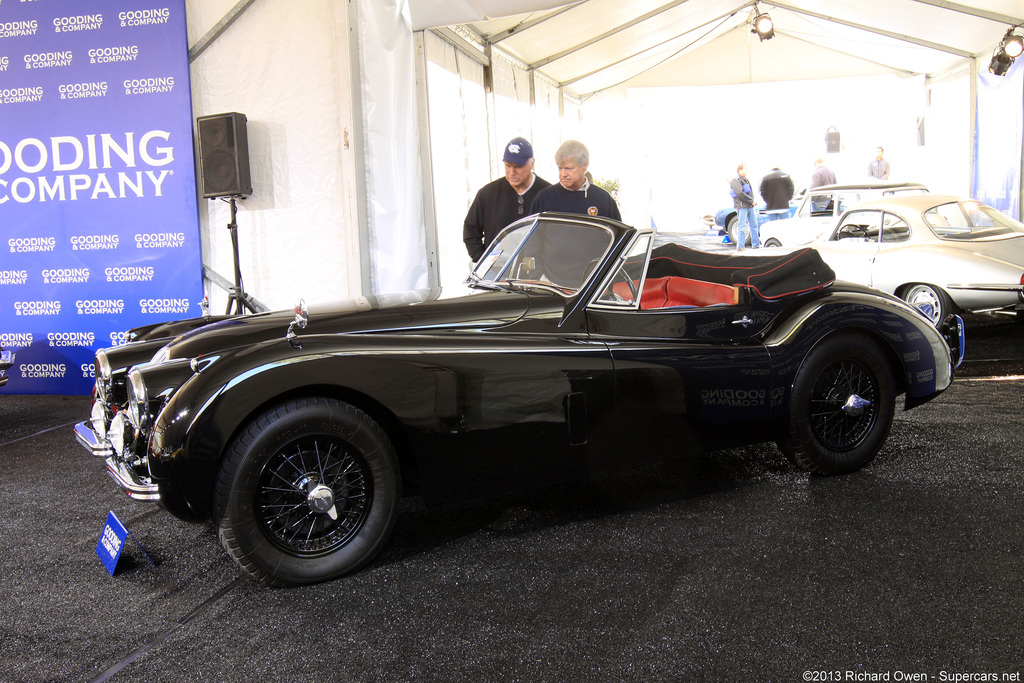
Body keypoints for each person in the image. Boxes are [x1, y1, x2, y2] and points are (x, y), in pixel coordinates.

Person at [463, 137, 551, 261]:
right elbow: (470, 231)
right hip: (497, 275)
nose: (511, 172)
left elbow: (558, 238)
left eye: (518, 166)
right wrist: (484, 262)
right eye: (508, 166)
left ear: (532, 163)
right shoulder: (488, 194)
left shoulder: (548, 195)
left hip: (537, 274)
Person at [530, 140, 621, 221]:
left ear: (585, 165)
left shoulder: (603, 200)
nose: (563, 174)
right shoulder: (544, 199)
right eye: (560, 168)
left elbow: (619, 236)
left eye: (569, 169)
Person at [729, 163, 760, 250]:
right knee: (742, 226)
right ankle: (741, 246)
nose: (747, 170)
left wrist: (751, 202)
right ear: (739, 170)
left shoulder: (745, 179)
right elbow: (740, 193)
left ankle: (756, 244)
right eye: (745, 169)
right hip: (742, 206)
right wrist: (751, 201)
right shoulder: (736, 180)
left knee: (754, 225)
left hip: (750, 206)